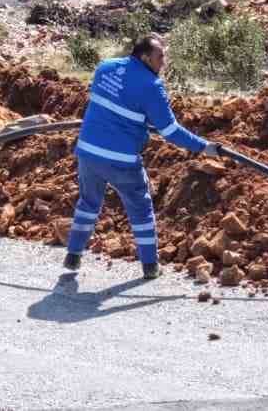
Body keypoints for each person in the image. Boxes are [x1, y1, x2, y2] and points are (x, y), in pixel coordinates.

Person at [66, 34, 219, 279]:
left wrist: (137, 119)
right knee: (141, 208)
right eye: (160, 57)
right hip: (121, 160)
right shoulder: (151, 85)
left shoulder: (105, 67)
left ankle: (73, 256)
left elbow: (114, 103)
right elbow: (170, 130)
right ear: (145, 57)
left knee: (88, 203)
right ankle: (150, 266)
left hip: (88, 152)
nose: (164, 62)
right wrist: (204, 147)